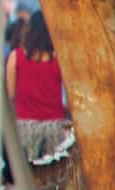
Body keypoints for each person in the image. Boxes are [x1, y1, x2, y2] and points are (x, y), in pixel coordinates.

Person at [6, 11, 70, 162]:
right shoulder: (60, 59)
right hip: (54, 125)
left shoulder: (16, 57)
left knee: (28, 175)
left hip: (25, 126)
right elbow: (70, 98)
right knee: (54, 177)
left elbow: (10, 95)